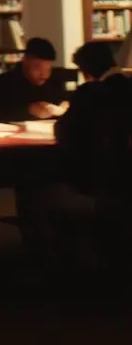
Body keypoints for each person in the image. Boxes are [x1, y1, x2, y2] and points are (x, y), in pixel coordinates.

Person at [26, 41, 132, 261]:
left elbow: (63, 133)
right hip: (125, 182)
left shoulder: (90, 93)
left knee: (37, 188)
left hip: (99, 185)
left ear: (85, 71)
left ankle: (54, 260)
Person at [0, 37, 68, 122]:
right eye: (37, 67)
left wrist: (64, 106)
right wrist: (30, 109)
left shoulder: (53, 81)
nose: (43, 74)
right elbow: (0, 114)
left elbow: (61, 100)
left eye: (48, 69)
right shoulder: (4, 82)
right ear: (25, 60)